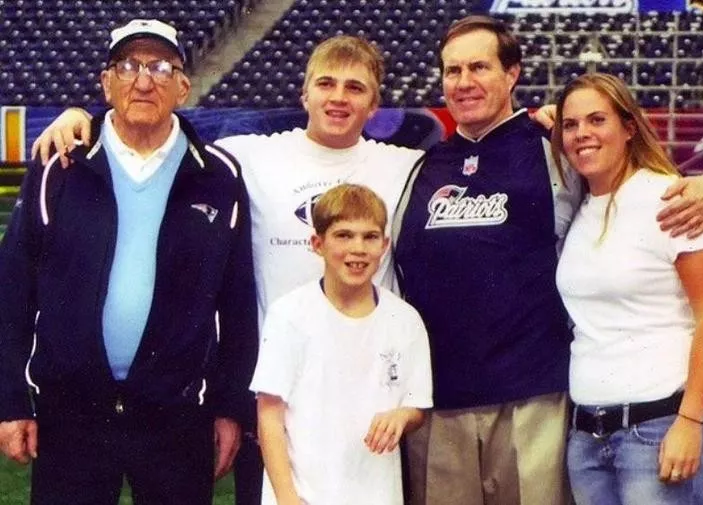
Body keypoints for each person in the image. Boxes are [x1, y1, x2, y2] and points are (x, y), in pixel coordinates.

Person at [30, 35, 423, 505]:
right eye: (326, 83)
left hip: (366, 392)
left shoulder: (407, 166)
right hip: (278, 395)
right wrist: (83, 118)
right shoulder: (251, 156)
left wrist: (537, 120)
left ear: (376, 103)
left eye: (355, 88)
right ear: (304, 94)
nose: (338, 97)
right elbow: (151, 121)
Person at [392, 15, 703, 505]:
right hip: (438, 403)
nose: (464, 82)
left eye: (479, 67)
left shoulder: (556, 152)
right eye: (452, 70)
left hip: (534, 401)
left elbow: (631, 178)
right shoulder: (417, 166)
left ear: (512, 74)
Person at [0, 19, 258, 504]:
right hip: (71, 413)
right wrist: (11, 400)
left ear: (183, 86)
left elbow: (238, 303)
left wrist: (231, 408)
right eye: (129, 65)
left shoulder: (219, 176)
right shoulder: (60, 166)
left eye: (161, 67)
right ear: (106, 82)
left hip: (177, 415)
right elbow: (12, 289)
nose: (144, 80)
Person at [551, 73, 703, 505]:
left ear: (629, 127)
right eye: (571, 125)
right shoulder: (581, 203)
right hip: (587, 437)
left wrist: (689, 421)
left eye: (598, 119)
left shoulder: (673, 201)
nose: (583, 134)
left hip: (658, 428)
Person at [250, 183, 432, 505]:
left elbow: (417, 405)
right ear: (317, 244)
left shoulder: (405, 319)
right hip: (304, 493)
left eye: (370, 236)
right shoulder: (289, 314)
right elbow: (269, 414)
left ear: (385, 245)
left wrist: (402, 416)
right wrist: (287, 497)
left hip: (376, 492)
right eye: (344, 235)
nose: (358, 248)